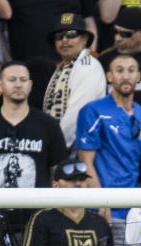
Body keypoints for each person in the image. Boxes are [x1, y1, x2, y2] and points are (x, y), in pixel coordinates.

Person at [0, 61, 68, 190]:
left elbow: (58, 169)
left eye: (23, 80)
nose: (18, 85)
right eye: (12, 80)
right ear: (0, 85)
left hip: (37, 207)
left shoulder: (49, 124)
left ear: (30, 85)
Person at [76, 52, 141, 231]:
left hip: (133, 209)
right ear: (109, 76)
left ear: (138, 76)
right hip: (103, 210)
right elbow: (86, 162)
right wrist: (102, 202)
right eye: (119, 70)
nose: (125, 76)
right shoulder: (93, 111)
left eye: (131, 71)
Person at [43, 13, 106, 148]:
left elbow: (76, 115)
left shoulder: (88, 65)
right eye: (59, 37)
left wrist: (53, 148)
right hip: (63, 144)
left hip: (79, 146)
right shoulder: (63, 66)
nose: (64, 40)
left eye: (71, 34)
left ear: (84, 39)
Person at [3, 0, 97, 65]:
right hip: (25, 66)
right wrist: (8, 61)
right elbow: (0, 27)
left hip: (73, 63)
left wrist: (90, 56)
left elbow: (89, 22)